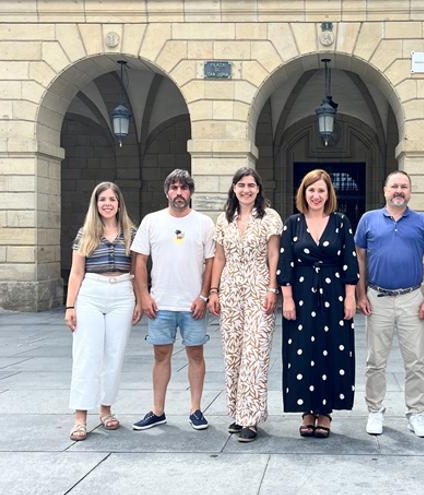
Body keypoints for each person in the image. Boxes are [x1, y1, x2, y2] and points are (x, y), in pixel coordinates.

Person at [355, 170, 424, 438]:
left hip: (411, 298)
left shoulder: (423, 222)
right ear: (385, 190)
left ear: (410, 191)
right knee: (375, 360)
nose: (399, 191)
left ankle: (416, 413)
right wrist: (360, 294)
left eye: (404, 186)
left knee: (415, 361)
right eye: (394, 186)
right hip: (377, 297)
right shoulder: (368, 220)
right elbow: (359, 259)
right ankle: (375, 410)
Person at [131, 169, 215, 431]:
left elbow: (211, 262)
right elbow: (139, 261)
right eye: (174, 188)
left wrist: (204, 295)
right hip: (161, 303)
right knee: (161, 355)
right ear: (167, 191)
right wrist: (144, 296)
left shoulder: (204, 223)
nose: (179, 193)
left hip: (193, 304)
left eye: (184, 188)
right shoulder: (152, 221)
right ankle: (158, 411)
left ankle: (196, 410)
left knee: (196, 354)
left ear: (190, 192)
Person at [277, 169, 359, 438]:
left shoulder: (341, 222)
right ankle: (307, 411)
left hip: (334, 295)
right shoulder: (293, 223)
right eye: (311, 190)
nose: (316, 195)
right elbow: (285, 263)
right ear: (304, 193)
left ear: (328, 194)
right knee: (302, 351)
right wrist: (287, 299)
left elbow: (350, 261)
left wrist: (350, 297)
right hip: (301, 296)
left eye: (321, 190)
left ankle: (324, 413)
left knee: (332, 349)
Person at [207, 168, 282, 443]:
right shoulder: (224, 219)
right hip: (230, 290)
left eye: (251, 185)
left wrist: (273, 288)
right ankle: (238, 413)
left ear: (258, 188)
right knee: (234, 353)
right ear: (234, 188)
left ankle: (251, 418)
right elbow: (219, 258)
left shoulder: (270, 218)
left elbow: (274, 255)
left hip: (259, 288)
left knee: (255, 353)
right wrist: (213, 291)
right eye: (241, 185)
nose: (246, 190)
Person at [64, 181, 141, 441]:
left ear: (119, 204)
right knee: (87, 353)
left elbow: (137, 270)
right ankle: (80, 416)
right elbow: (76, 272)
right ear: (96, 204)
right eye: (102, 199)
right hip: (91, 293)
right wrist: (70, 305)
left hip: (122, 292)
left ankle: (106, 408)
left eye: (112, 199)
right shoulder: (85, 233)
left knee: (114, 353)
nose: (107, 204)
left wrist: (139, 300)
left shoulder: (131, 232)